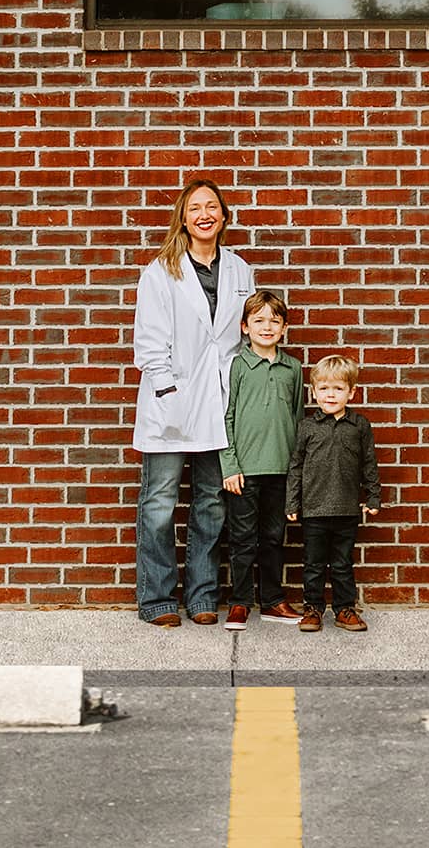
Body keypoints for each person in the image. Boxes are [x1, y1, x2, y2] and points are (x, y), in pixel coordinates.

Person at [130, 176, 253, 626]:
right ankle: (157, 600)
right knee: (160, 504)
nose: (205, 214)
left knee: (211, 502)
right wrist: (168, 389)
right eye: (195, 207)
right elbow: (149, 343)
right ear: (183, 217)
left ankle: (202, 596)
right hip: (173, 401)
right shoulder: (161, 269)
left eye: (212, 207)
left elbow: (240, 336)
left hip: (220, 402)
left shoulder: (239, 269)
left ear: (224, 216)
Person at [219, 290, 305, 629]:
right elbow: (225, 417)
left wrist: (296, 474)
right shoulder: (237, 366)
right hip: (244, 471)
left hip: (281, 470)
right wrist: (230, 465)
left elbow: (299, 421)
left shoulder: (293, 368)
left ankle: (272, 600)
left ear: (283, 327)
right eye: (258, 321)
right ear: (244, 327)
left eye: (274, 321)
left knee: (273, 537)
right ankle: (240, 602)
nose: (266, 327)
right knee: (241, 539)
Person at [286, 353, 382, 632]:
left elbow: (369, 464)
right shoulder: (307, 427)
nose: (330, 395)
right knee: (313, 565)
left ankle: (344, 609)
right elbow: (296, 466)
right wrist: (292, 502)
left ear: (351, 392)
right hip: (314, 509)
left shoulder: (360, 426)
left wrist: (373, 497)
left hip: (347, 510)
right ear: (313, 391)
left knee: (342, 565)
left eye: (338, 389)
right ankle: (313, 609)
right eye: (324, 389)